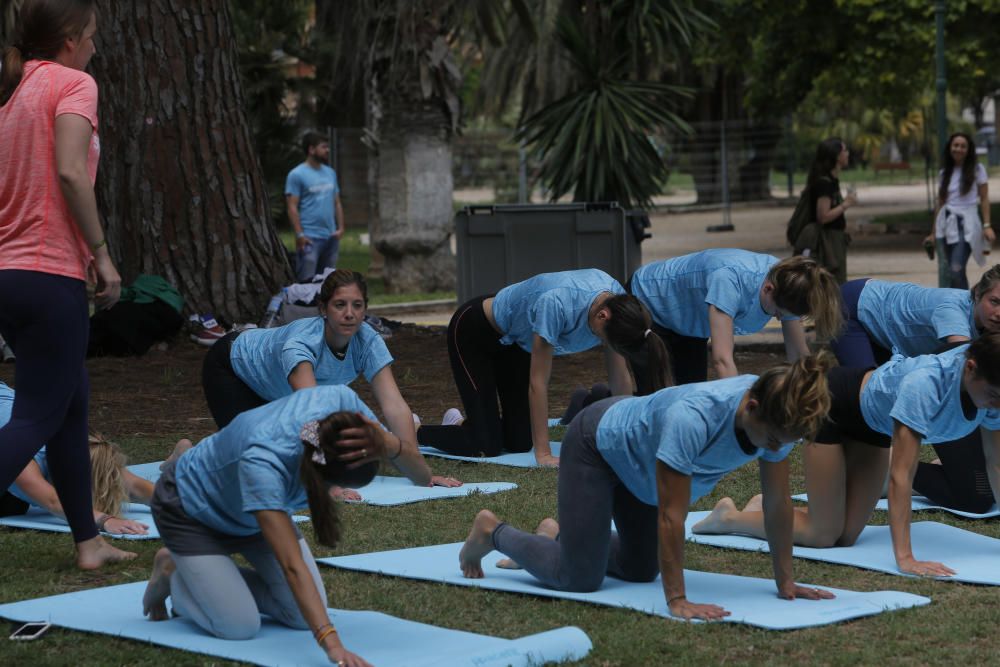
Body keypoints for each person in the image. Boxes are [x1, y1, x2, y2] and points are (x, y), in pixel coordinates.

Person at [459, 355, 835, 620]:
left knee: (641, 568)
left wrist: (786, 581)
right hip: (597, 443)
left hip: (639, 456)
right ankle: (492, 532)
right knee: (579, 578)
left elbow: (777, 502)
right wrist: (678, 599)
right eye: (770, 440)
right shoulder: (693, 419)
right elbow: (673, 517)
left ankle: (563, 536)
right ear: (751, 407)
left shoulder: (779, 414)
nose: (774, 449)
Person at [0, 0, 131, 569]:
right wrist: (101, 255)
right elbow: (72, 171)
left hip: (12, 273)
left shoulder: (12, 93)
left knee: (69, 406)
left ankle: (88, 542)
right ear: (71, 38)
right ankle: (88, 540)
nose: (97, 47)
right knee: (35, 415)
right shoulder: (72, 83)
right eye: (94, 36)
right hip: (46, 273)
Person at [694, 337, 1000, 577]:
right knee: (824, 535)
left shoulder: (989, 390)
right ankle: (729, 517)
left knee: (847, 536)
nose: (996, 405)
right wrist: (905, 557)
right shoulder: (926, 385)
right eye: (994, 395)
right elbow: (900, 476)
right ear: (970, 367)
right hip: (833, 406)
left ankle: (760, 507)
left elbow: (996, 461)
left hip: (872, 426)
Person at [143, 386, 387, 667]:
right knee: (238, 626)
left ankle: (212, 579)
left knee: (300, 616)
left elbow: (411, 461)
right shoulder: (263, 460)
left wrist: (399, 450)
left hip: (251, 516)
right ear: (323, 474)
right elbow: (292, 566)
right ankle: (174, 572)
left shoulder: (338, 410)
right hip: (191, 511)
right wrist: (332, 644)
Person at [202, 269, 456, 496]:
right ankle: (185, 458)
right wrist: (329, 482)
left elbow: (394, 406)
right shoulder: (301, 344)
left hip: (275, 388)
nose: (349, 314)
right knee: (255, 469)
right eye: (339, 305)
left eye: (357, 305)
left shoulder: (368, 340)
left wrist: (419, 470)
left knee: (276, 465)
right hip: (232, 369)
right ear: (323, 309)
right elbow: (310, 416)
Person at [415, 269, 670, 467]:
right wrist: (544, 453)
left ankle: (463, 423)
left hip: (517, 344)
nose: (602, 344)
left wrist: (622, 437)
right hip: (475, 332)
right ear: (602, 316)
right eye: (604, 339)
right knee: (485, 446)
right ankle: (414, 430)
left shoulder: (617, 304)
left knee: (519, 442)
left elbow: (620, 377)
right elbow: (538, 383)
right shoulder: (557, 303)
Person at [830, 269, 1000, 513]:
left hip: (899, 344)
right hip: (852, 310)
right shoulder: (951, 312)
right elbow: (959, 368)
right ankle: (863, 467)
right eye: (994, 301)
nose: (999, 313)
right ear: (976, 295)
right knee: (869, 412)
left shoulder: (986, 328)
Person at [628, 250, 842, 385]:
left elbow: (798, 354)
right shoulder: (729, 280)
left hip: (688, 324)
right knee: (657, 395)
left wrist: (812, 397)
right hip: (647, 302)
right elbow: (722, 358)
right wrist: (741, 410)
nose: (778, 317)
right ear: (768, 288)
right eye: (778, 312)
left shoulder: (790, 282)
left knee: (689, 394)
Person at [926, 132, 994, 290]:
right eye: (956, 145)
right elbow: (940, 204)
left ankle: (965, 305)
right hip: (946, 223)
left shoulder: (978, 169)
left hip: (967, 223)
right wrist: (933, 233)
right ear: (950, 148)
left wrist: (987, 225)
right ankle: (957, 307)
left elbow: (984, 198)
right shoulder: (945, 173)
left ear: (969, 149)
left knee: (956, 269)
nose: (959, 149)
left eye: (963, 146)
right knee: (951, 271)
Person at [286, 131, 344, 281]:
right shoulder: (296, 174)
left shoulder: (330, 173)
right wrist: (300, 235)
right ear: (311, 150)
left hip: (331, 237)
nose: (327, 150)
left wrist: (340, 228)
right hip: (310, 238)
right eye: (323, 147)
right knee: (307, 283)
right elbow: (292, 207)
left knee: (328, 284)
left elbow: (337, 202)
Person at [805, 137, 856, 284]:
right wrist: (846, 204)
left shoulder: (831, 180)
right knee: (832, 285)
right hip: (827, 243)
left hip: (834, 239)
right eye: (844, 150)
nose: (847, 154)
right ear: (836, 156)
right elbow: (823, 216)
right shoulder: (824, 183)